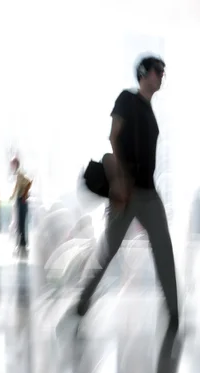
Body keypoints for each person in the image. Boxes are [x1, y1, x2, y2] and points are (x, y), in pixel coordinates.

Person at [76, 55, 179, 329]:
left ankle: (174, 312)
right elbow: (113, 135)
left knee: (163, 248)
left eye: (162, 72)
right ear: (144, 73)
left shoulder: (149, 110)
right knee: (110, 250)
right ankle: (83, 299)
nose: (161, 77)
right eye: (158, 71)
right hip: (127, 191)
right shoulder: (127, 99)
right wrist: (120, 180)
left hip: (148, 192)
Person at [10, 157, 32, 250]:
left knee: (21, 222)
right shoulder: (17, 174)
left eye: (12, 164)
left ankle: (23, 241)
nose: (11, 166)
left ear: (15, 164)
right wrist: (12, 195)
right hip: (20, 199)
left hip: (22, 200)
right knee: (20, 221)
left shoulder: (19, 173)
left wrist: (24, 195)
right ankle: (21, 241)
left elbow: (29, 182)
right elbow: (17, 186)